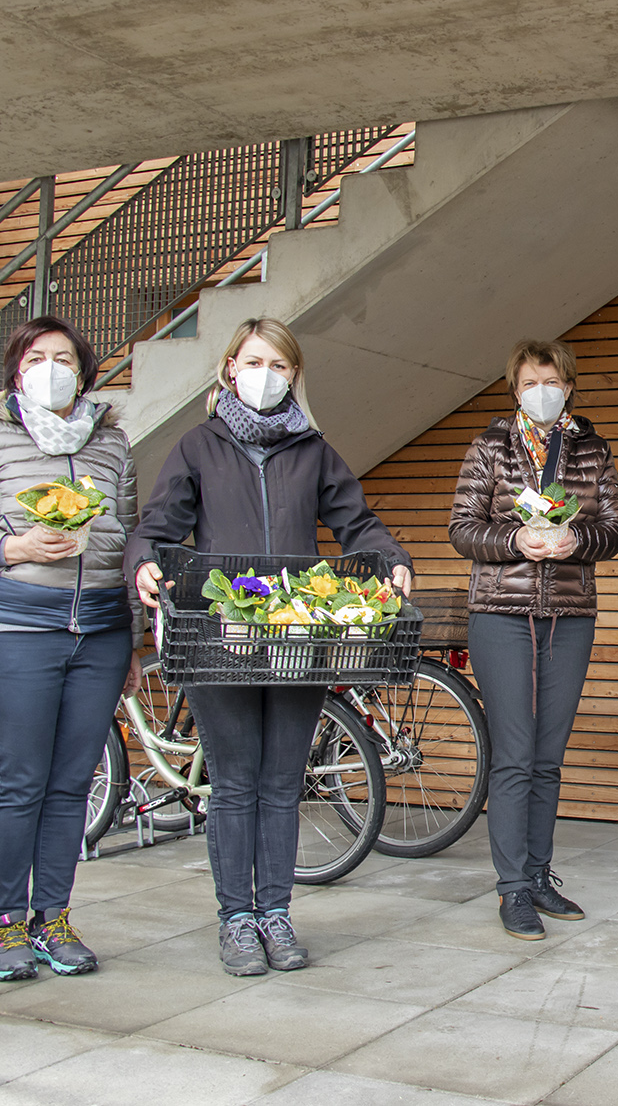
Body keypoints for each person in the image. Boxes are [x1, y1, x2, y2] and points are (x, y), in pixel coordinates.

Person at [127, 318, 413, 977]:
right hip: (222, 639)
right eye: (256, 361)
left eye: (280, 365)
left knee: (283, 784)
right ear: (230, 368)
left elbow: (357, 521)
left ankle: (276, 914)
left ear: (293, 375)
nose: (267, 374)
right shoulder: (197, 446)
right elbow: (158, 524)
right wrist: (144, 562)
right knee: (234, 785)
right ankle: (236, 919)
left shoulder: (313, 449)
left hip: (297, 638)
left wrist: (389, 558)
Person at [0, 315, 144, 982]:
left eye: (66, 358)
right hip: (12, 630)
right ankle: (5, 923)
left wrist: (133, 639)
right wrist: (12, 547)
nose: (52, 367)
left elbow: (127, 541)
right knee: (20, 783)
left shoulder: (110, 443)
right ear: (17, 369)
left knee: (71, 783)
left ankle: (54, 914)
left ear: (83, 372)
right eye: (37, 356)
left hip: (100, 632)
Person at [449, 338, 618, 941]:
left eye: (551, 381)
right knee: (515, 755)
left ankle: (539, 874)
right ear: (515, 388)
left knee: (548, 758)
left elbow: (615, 528)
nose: (541, 390)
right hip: (501, 613)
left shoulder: (594, 450)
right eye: (529, 381)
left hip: (570, 616)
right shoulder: (489, 448)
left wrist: (577, 543)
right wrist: (513, 543)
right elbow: (462, 528)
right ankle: (511, 890)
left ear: (569, 386)